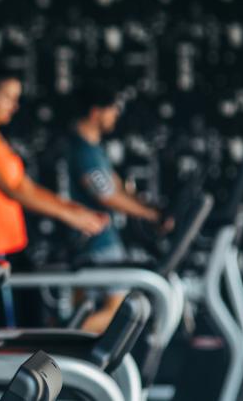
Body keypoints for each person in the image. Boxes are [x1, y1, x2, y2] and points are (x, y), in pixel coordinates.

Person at [0, 68, 108, 329]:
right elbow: (12, 190)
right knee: (7, 335)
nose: (14, 106)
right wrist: (68, 215)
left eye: (16, 98)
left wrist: (72, 208)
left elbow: (27, 186)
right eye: (7, 97)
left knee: (29, 327)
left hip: (15, 247)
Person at [67, 83, 173, 333]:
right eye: (112, 109)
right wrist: (149, 214)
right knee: (116, 312)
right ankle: (52, 354)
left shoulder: (94, 149)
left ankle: (63, 361)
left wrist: (149, 207)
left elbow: (116, 186)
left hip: (96, 242)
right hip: (97, 244)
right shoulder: (84, 151)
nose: (116, 114)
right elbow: (106, 195)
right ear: (96, 112)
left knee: (86, 313)